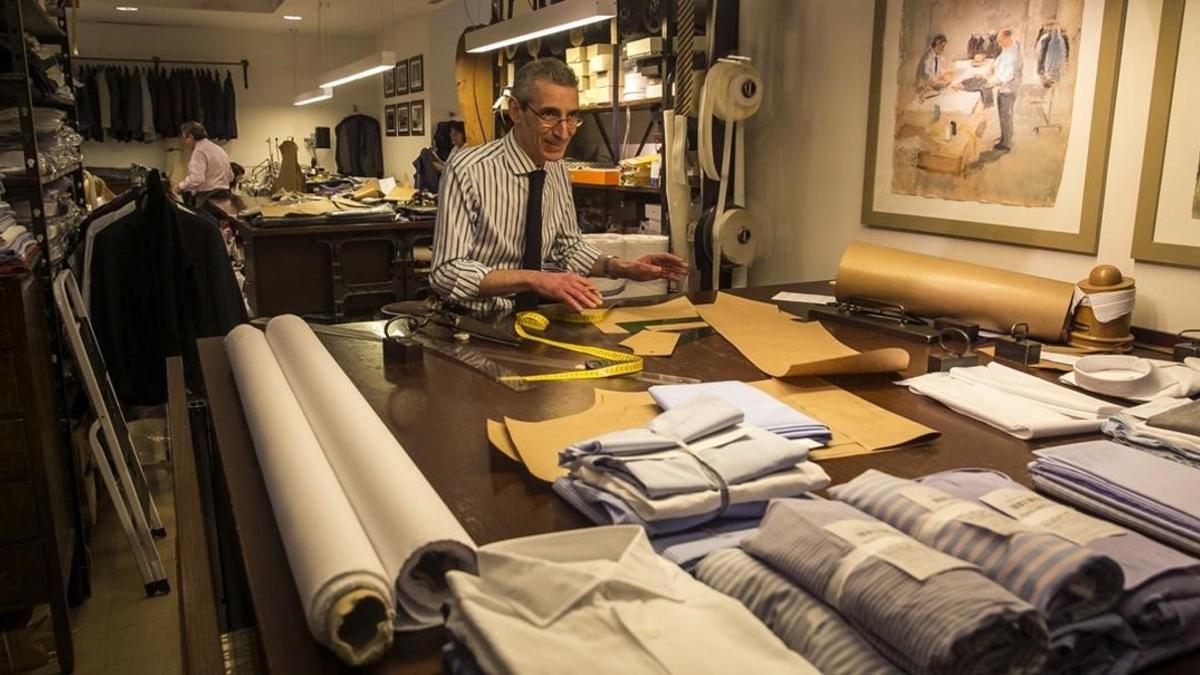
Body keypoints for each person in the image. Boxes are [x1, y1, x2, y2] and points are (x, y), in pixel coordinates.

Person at [431, 58, 687, 315]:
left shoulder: (557, 170)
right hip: (473, 324)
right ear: (516, 111)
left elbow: (568, 246)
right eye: (550, 115)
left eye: (572, 116)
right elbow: (446, 272)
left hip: (532, 320)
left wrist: (622, 268)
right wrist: (534, 279)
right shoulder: (469, 170)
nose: (564, 132)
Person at [175, 121, 234, 207]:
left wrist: (179, 187)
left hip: (208, 198)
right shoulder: (219, 149)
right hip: (225, 195)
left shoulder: (199, 151)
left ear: (191, 137)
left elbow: (196, 179)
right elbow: (231, 176)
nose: (185, 143)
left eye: (185, 138)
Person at [990, 29, 1022, 151]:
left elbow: (1010, 73)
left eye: (1000, 41)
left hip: (1008, 89)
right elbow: (1002, 57)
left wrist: (997, 81)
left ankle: (1006, 143)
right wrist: (995, 63)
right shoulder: (1010, 46)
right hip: (1004, 87)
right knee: (1005, 115)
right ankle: (1005, 137)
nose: (999, 44)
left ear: (1007, 38)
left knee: (1005, 116)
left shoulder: (1014, 54)